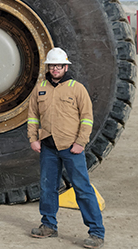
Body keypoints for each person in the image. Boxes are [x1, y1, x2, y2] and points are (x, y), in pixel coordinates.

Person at [27, 48, 105, 248]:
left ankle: (96, 233)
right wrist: (33, 139)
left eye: (59, 66)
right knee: (47, 187)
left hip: (71, 148)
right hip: (48, 147)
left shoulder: (77, 88)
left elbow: (87, 118)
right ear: (49, 67)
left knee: (83, 189)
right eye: (52, 66)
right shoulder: (40, 88)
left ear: (65, 67)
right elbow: (33, 116)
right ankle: (48, 225)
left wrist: (80, 143)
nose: (55, 69)